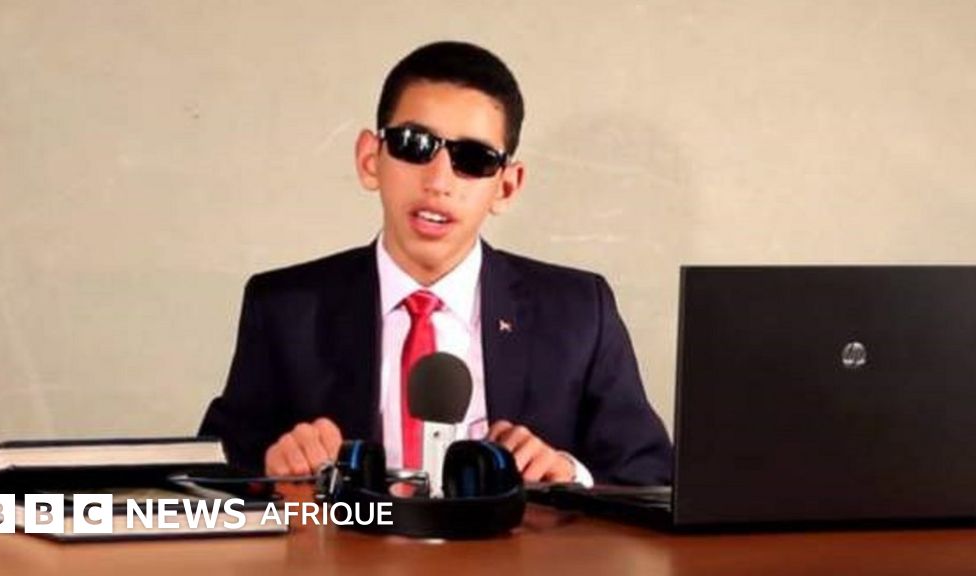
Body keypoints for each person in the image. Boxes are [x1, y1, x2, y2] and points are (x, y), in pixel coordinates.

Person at [199, 41, 672, 486]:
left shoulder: (578, 312)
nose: (439, 181)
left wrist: (570, 475)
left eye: (474, 158)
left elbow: (652, 477)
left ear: (507, 186)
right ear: (369, 159)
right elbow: (207, 470)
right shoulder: (286, 307)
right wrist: (269, 468)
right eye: (413, 144)